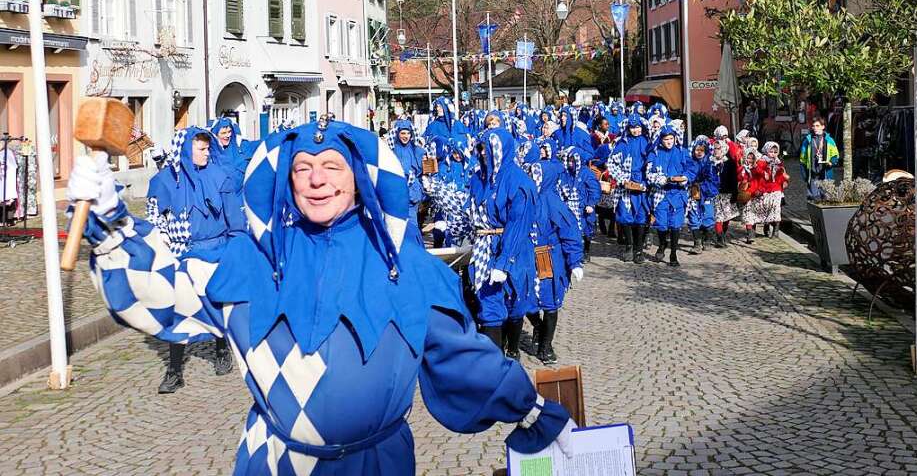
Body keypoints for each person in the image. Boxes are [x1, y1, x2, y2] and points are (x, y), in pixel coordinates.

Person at [68, 118, 574, 475]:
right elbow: (169, 293)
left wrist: (532, 411)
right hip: (274, 463)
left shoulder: (407, 266)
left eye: (332, 166)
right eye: (302, 168)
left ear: (358, 179)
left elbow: (465, 361)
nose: (315, 179)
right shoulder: (251, 261)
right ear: (286, 182)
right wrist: (112, 222)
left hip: (377, 466)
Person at [145, 127, 244, 393]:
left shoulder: (219, 176)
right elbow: (155, 217)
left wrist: (236, 248)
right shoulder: (165, 181)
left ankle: (222, 350)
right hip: (180, 254)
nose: (207, 152)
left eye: (208, 148)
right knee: (177, 312)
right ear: (186, 150)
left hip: (214, 251)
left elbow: (235, 218)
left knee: (216, 306)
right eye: (201, 149)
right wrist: (162, 242)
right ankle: (174, 370)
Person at [468, 128, 540, 360]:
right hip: (484, 246)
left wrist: (504, 261)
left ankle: (513, 348)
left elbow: (518, 225)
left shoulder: (519, 182)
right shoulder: (478, 178)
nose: (482, 153)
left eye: (486, 149)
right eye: (480, 148)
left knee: (515, 303)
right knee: (489, 306)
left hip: (513, 249)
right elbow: (469, 211)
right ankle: (493, 363)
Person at [525, 158, 584, 365]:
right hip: (527, 255)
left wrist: (575, 261)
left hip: (548, 257)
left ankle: (546, 345)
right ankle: (538, 326)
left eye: (537, 175)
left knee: (549, 300)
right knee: (526, 296)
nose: (533, 179)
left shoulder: (553, 202)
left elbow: (570, 233)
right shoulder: (524, 197)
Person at [645, 124, 692, 266]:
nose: (669, 141)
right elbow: (649, 174)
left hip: (678, 193)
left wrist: (685, 178)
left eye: (671, 138)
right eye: (666, 139)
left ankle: (673, 254)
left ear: (675, 138)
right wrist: (663, 179)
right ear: (661, 140)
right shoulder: (654, 153)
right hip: (661, 193)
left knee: (676, 225)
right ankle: (662, 244)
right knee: (661, 224)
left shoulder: (683, 152)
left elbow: (691, 170)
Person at [607, 114, 650, 264]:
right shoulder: (622, 143)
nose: (635, 130)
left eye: (638, 127)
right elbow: (611, 163)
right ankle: (629, 246)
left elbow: (652, 162)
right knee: (624, 216)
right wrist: (621, 178)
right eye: (632, 127)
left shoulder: (647, 142)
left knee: (641, 217)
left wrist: (648, 179)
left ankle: (639, 249)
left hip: (642, 184)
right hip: (625, 184)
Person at [558, 147, 601, 263]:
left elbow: (594, 189)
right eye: (569, 160)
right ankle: (572, 251)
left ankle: (586, 249)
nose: (570, 163)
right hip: (568, 205)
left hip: (582, 207)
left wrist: (591, 204)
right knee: (571, 229)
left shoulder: (587, 173)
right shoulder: (565, 173)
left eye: (573, 160)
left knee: (586, 229)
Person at [387, 119, 426, 239]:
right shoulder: (389, 151)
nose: (406, 136)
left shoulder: (418, 150)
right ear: (397, 133)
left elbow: (427, 170)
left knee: (412, 225)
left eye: (408, 133)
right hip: (395, 193)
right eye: (402, 133)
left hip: (412, 194)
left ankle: (415, 250)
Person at [686, 136, 719, 254]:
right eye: (697, 150)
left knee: (708, 216)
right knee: (693, 216)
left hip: (706, 194)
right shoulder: (690, 162)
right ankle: (697, 243)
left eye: (701, 150)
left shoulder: (710, 164)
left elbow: (714, 181)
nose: (699, 152)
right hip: (693, 194)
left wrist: (703, 187)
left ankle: (707, 240)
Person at [754, 141, 789, 238]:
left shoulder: (778, 162)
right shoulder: (761, 161)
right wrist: (763, 172)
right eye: (771, 151)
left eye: (775, 152)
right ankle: (766, 226)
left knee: (776, 209)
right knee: (766, 208)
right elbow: (757, 172)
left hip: (776, 189)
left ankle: (776, 230)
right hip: (765, 189)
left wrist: (784, 178)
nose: (773, 154)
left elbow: (781, 174)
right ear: (766, 151)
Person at [800, 116, 840, 201]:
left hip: (825, 172)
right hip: (813, 172)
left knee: (826, 196)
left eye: (817, 126)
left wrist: (831, 162)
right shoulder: (807, 140)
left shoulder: (829, 140)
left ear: (823, 126)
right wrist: (804, 174)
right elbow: (803, 159)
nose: (815, 128)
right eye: (813, 126)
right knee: (814, 197)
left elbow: (835, 155)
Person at [710, 137, 740, 247]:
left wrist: (735, 193)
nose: (716, 150)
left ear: (723, 149)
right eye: (714, 148)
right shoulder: (710, 162)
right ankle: (719, 238)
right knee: (718, 216)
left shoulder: (730, 162)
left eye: (718, 148)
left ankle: (723, 232)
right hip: (715, 193)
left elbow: (734, 179)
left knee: (727, 216)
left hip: (727, 193)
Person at [210, 116, 249, 194]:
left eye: (229, 131)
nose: (228, 135)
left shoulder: (241, 149)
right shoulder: (209, 154)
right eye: (223, 133)